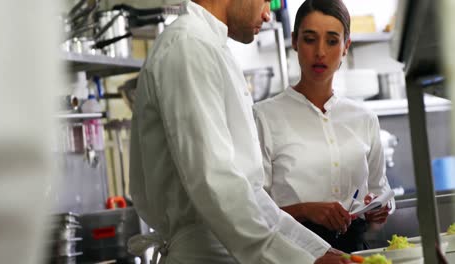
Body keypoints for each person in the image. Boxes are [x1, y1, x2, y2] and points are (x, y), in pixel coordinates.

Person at [128, 0, 352, 263]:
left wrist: (316, 250)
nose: (268, 14)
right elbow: (214, 182)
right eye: (266, 0)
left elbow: (251, 194)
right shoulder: (188, 46)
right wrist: (301, 261)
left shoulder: (212, 47)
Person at [253, 0, 395, 253]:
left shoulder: (364, 118)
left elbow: (379, 189)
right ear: (295, 41)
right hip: (292, 254)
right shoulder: (264, 117)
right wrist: (306, 210)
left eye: (332, 41)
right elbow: (251, 208)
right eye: (310, 39)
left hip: (357, 252)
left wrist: (379, 209)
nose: (320, 51)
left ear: (345, 47)